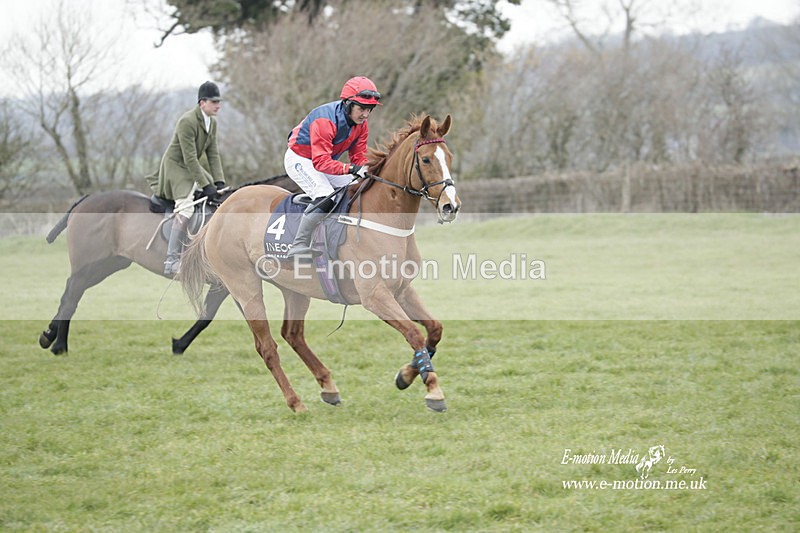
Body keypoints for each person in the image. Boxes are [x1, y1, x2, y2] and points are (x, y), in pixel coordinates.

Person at [283, 76, 382, 261]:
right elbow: (320, 162)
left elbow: (358, 157)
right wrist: (351, 169)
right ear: (348, 104)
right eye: (362, 109)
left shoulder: (362, 125)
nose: (365, 115)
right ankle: (299, 245)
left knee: (357, 189)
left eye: (369, 110)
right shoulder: (325, 120)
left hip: (323, 160)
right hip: (301, 159)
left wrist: (366, 171)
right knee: (326, 195)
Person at [147, 81, 226, 275]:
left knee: (219, 195)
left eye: (219, 102)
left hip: (192, 166)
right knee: (186, 207)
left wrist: (218, 181)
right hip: (176, 167)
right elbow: (189, 158)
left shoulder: (212, 122)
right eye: (214, 102)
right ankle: (171, 259)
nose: (218, 105)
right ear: (202, 103)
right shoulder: (187, 121)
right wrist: (206, 184)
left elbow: (213, 154)